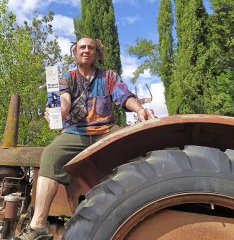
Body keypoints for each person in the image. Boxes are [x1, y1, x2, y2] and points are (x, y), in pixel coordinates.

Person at [17, 37, 154, 240]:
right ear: (75, 53)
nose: (86, 50)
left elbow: (124, 97)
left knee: (135, 148)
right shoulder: (66, 78)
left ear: (96, 54)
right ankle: (38, 225)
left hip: (106, 130)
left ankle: (144, 210)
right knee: (51, 154)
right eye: (82, 47)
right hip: (76, 132)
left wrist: (141, 109)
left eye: (91, 48)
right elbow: (63, 99)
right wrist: (59, 112)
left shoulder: (108, 77)